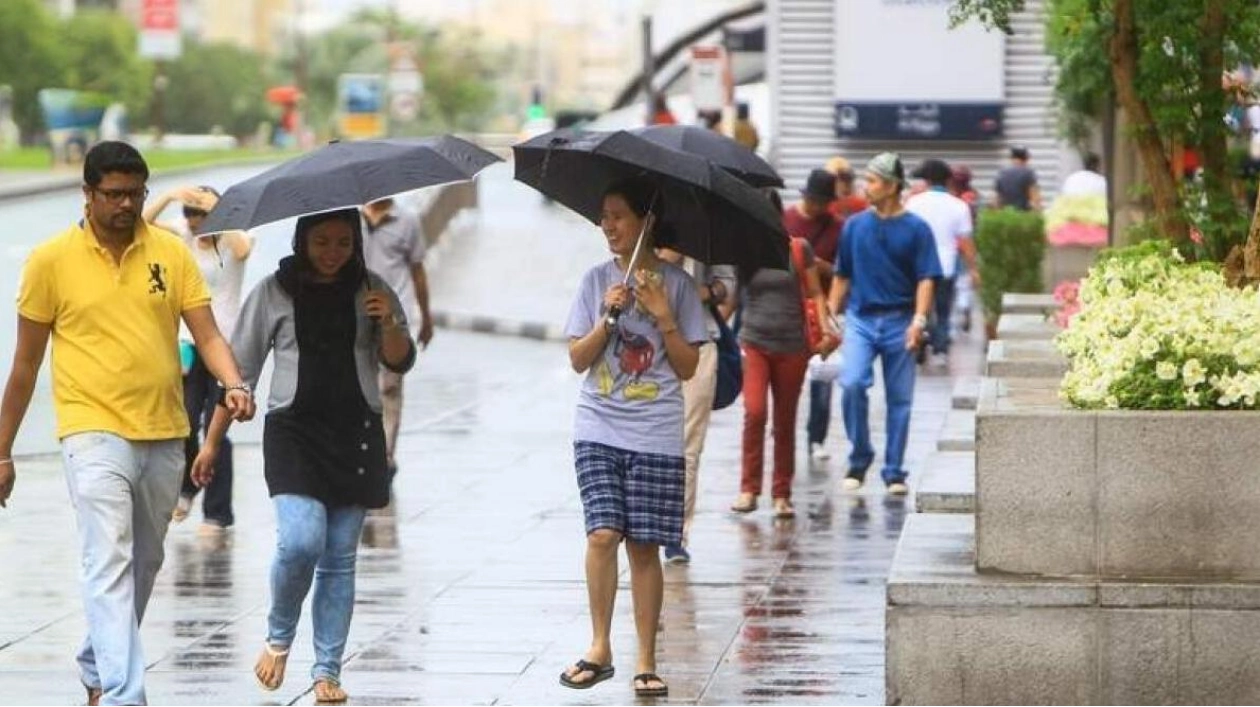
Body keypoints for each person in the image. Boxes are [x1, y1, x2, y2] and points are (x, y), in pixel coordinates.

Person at [0, 141, 255, 707]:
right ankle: (124, 693)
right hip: (90, 429)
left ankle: (97, 659)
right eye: (112, 194)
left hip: (164, 429)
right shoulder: (50, 260)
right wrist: (3, 450)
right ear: (87, 193)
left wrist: (234, 384)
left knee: (145, 561)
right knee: (108, 555)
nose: (124, 205)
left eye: (134, 194)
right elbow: (24, 364)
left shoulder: (171, 252)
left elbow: (207, 333)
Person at [192, 208, 416, 704]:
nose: (332, 252)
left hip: (356, 433)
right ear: (301, 240)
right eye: (321, 242)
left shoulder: (372, 287)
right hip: (293, 433)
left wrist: (391, 322)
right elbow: (239, 369)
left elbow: (400, 358)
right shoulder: (275, 290)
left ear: (355, 242)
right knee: (300, 541)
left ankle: (327, 672)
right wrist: (211, 442)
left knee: (339, 558)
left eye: (342, 242)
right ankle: (278, 636)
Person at [560, 177, 706, 697]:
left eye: (619, 216)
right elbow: (578, 359)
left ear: (646, 221)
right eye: (604, 217)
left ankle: (646, 658)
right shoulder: (595, 282)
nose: (609, 226)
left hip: (655, 433)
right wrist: (608, 317)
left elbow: (688, 368)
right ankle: (599, 647)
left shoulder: (679, 286)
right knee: (602, 534)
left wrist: (664, 317)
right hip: (598, 425)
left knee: (643, 547)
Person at [828, 153, 941, 495]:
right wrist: (830, 316)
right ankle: (860, 457)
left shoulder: (917, 229)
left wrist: (918, 321)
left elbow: (926, 278)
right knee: (851, 384)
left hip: (900, 320)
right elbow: (841, 275)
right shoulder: (854, 226)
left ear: (892, 186)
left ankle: (894, 471)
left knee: (900, 400)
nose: (866, 186)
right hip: (861, 319)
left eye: (874, 181)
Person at [144, 186, 254, 532]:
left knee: (217, 428)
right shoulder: (183, 237)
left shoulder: (233, 240)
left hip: (225, 347)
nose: (193, 220)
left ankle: (217, 513)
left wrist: (220, 210)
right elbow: (143, 222)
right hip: (188, 343)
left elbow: (244, 248)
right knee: (186, 422)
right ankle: (188, 487)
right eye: (189, 213)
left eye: (199, 214)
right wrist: (171, 196)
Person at [731, 189, 837, 518]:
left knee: (785, 421)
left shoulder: (797, 248)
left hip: (793, 345)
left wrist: (825, 329)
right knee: (755, 412)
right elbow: (731, 299)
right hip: (754, 341)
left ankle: (781, 493)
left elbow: (816, 292)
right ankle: (749, 489)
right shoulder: (744, 252)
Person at [655, 248, 737, 565]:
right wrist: (667, 258)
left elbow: (727, 285)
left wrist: (703, 292)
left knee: (689, 444)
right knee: (649, 438)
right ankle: (645, 521)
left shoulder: (705, 233)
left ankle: (676, 533)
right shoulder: (643, 230)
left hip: (699, 343)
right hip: (650, 345)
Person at [360, 197, 434, 478]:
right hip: (357, 316)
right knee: (363, 386)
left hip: (395, 316)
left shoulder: (408, 220)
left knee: (390, 387)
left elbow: (418, 272)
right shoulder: (352, 219)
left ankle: (385, 456)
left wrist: (426, 317)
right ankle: (365, 447)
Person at [782, 169, 843, 461]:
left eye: (823, 202)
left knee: (822, 376)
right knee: (786, 378)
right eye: (814, 201)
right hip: (788, 309)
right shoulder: (786, 220)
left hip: (820, 309)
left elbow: (842, 272)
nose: (818, 208)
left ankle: (816, 437)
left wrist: (816, 264)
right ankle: (783, 431)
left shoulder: (837, 227)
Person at [906, 159, 979, 368]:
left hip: (918, 267)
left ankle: (924, 337)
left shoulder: (913, 203)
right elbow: (965, 242)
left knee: (922, 308)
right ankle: (941, 348)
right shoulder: (959, 205)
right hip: (947, 266)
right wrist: (973, 269)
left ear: (926, 180)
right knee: (944, 309)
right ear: (948, 180)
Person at [994, 145, 1042, 211]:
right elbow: (1034, 196)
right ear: (1026, 159)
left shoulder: (1002, 173)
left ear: (1011, 158)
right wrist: (1038, 211)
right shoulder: (1028, 173)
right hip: (1022, 214)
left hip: (1005, 214)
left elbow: (996, 198)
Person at [825, 157, 870, 222]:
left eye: (848, 180)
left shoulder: (862, 202)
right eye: (841, 179)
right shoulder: (823, 204)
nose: (846, 185)